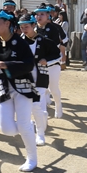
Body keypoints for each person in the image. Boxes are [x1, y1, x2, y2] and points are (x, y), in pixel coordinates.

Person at [0, 10, 39, 172]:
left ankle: (32, 158)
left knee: (23, 125)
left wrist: (7, 65)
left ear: (7, 23)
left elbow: (29, 64)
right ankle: (28, 127)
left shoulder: (20, 42)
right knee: (6, 129)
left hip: (22, 87)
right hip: (1, 87)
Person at [18, 14, 60, 146]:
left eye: (26, 26)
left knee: (36, 105)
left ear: (33, 25)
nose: (24, 29)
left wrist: (46, 60)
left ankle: (40, 133)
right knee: (27, 106)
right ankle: (41, 118)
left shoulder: (45, 41)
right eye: (21, 27)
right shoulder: (18, 42)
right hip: (24, 78)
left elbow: (57, 55)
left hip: (40, 78)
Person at [34, 5, 66, 118]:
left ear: (48, 15)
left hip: (52, 63)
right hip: (38, 65)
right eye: (37, 14)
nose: (39, 17)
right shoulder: (33, 29)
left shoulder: (53, 29)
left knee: (53, 89)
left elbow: (57, 48)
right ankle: (42, 114)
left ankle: (58, 105)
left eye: (42, 14)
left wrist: (47, 59)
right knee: (40, 89)